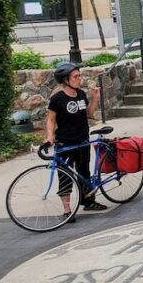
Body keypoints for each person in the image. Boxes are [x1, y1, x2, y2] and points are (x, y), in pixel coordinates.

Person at [44, 62, 104, 220]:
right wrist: (50, 136)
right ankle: (67, 210)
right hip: (65, 142)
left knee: (84, 172)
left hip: (82, 140)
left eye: (80, 75)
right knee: (65, 175)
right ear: (65, 80)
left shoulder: (81, 94)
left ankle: (88, 201)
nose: (79, 79)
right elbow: (51, 120)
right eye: (76, 76)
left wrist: (95, 98)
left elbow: (89, 113)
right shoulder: (57, 99)